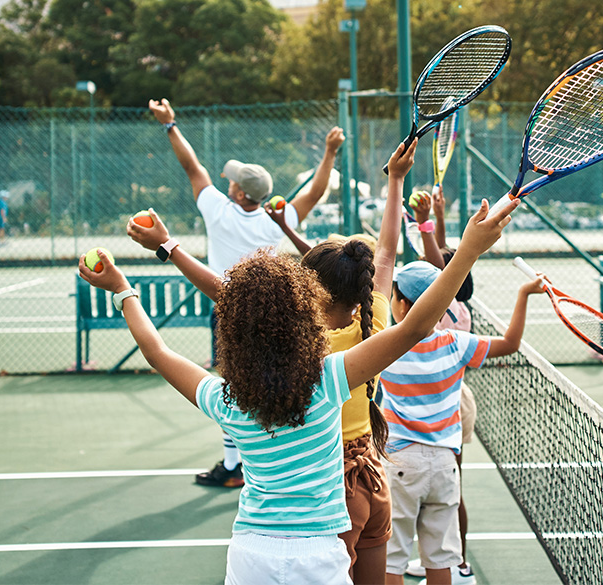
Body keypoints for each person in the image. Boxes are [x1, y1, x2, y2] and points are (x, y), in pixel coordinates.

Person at [80, 193, 518, 585]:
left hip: (251, 553)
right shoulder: (330, 380)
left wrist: (122, 288)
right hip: (319, 552)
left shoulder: (226, 401)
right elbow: (418, 324)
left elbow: (157, 352)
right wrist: (468, 250)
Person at [130, 141, 420, 584]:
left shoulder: (307, 350)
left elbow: (227, 295)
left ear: (307, 295)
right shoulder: (373, 321)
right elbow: (385, 254)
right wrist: (396, 180)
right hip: (372, 474)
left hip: (329, 489)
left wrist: (167, 247)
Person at [149, 97, 345, 488]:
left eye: (233, 181)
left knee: (233, 384)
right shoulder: (281, 219)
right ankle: (258, 458)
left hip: (227, 307)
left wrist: (170, 125)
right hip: (275, 311)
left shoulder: (218, 211)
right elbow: (318, 190)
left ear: (240, 194)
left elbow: (193, 167)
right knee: (277, 382)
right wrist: (329, 153)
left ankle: (235, 463)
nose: (228, 181)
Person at [381, 262, 545, 585]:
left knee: (393, 560)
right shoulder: (457, 343)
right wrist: (525, 294)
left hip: (400, 463)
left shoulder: (385, 346)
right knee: (440, 560)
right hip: (444, 465)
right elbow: (510, 343)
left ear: (400, 304)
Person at [403, 190, 477, 583]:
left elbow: (440, 264)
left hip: (444, 407)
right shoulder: (459, 304)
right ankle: (449, 562)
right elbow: (446, 260)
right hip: (453, 400)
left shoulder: (439, 306)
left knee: (445, 491)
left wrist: (424, 221)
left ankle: (456, 564)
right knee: (445, 488)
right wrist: (436, 218)